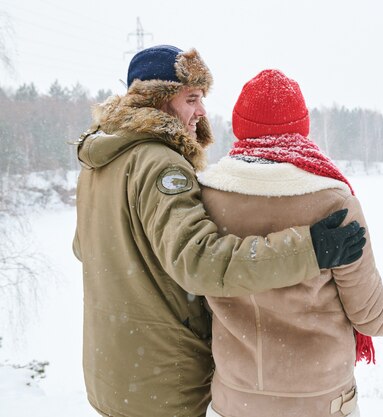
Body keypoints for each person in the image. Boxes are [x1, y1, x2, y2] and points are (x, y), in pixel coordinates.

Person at [72, 46, 366, 417]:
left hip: (112, 370)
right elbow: (201, 262)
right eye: (191, 99)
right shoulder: (161, 165)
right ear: (157, 101)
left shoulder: (100, 162)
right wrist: (310, 249)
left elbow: (85, 249)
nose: (201, 112)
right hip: (162, 380)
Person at [199, 69, 383, 417]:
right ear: (302, 125)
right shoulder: (331, 201)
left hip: (234, 400)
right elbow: (371, 315)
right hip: (320, 402)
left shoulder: (206, 196)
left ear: (239, 124)